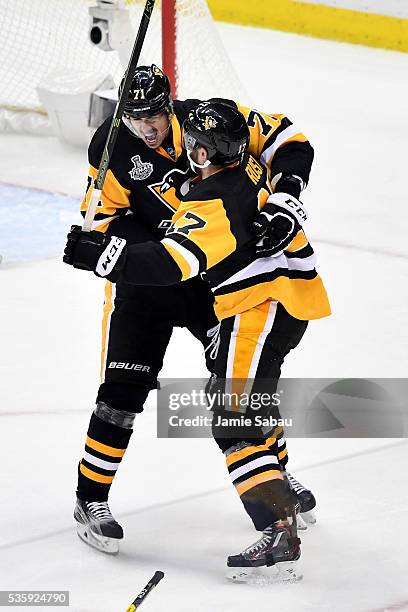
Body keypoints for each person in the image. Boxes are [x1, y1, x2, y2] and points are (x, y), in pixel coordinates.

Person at [64, 100, 331, 581]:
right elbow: (101, 218)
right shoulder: (125, 146)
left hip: (205, 284)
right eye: (138, 121)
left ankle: (274, 495)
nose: (152, 130)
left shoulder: (204, 140)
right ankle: (91, 499)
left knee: (238, 401)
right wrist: (110, 241)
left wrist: (97, 257)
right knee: (124, 394)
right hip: (149, 290)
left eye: (159, 119)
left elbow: (289, 142)